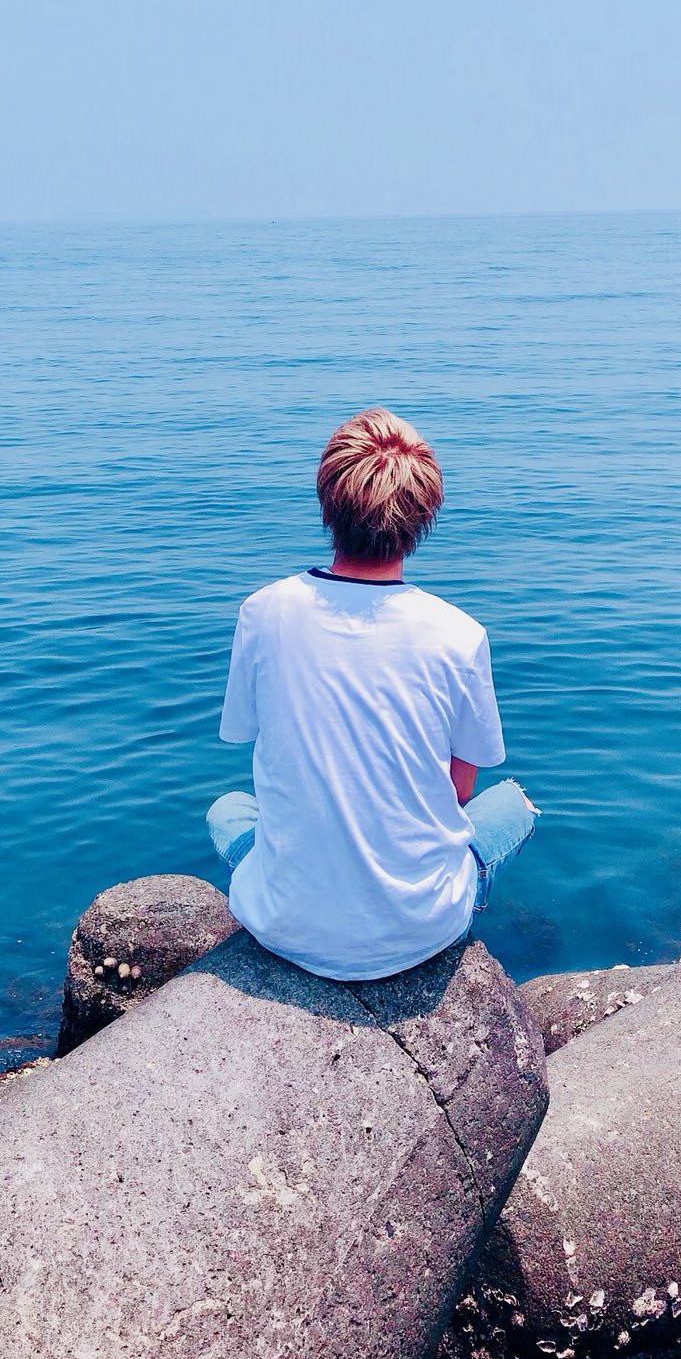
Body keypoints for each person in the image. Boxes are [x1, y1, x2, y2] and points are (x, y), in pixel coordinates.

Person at [208, 406, 536, 982]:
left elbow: (249, 734)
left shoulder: (263, 611)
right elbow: (459, 791)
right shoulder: (459, 634)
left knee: (227, 809)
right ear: (424, 516)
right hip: (422, 929)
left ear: (327, 505)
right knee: (512, 804)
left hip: (282, 923)